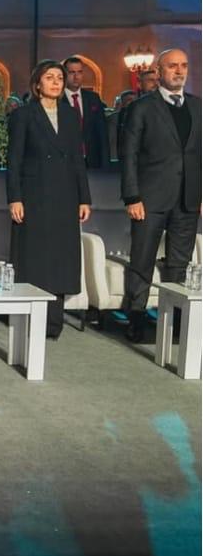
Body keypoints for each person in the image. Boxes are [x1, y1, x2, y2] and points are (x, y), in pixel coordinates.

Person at [119, 48, 201, 343]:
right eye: (172, 66)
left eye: (184, 65)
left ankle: (177, 320)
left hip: (188, 199)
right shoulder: (142, 107)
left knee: (179, 264)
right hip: (149, 199)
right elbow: (128, 155)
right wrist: (132, 197)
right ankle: (136, 317)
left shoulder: (198, 106)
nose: (179, 71)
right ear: (159, 71)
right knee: (142, 260)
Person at [6, 61, 92, 339]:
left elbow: (78, 159)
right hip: (34, 196)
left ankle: (54, 323)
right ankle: (30, 319)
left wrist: (84, 198)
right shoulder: (23, 115)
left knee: (60, 259)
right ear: (37, 83)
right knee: (35, 258)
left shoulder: (70, 115)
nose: (56, 82)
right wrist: (15, 198)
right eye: (49, 77)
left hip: (66, 196)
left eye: (59, 78)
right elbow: (14, 161)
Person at [61, 56, 108, 168]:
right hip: (65, 162)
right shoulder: (57, 99)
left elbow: (102, 133)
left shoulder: (93, 98)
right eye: (72, 72)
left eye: (79, 72)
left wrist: (105, 163)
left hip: (92, 161)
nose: (76, 76)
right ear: (64, 74)